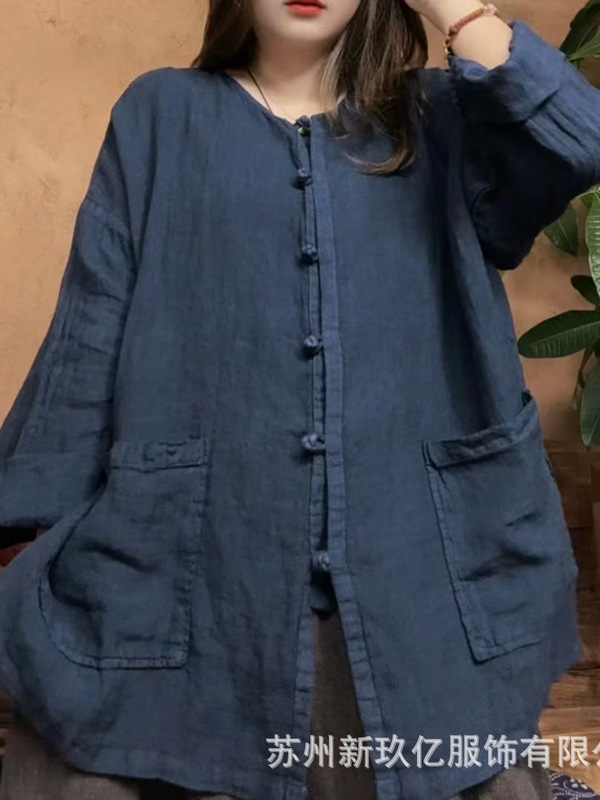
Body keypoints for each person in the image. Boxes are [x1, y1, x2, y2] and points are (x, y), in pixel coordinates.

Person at [0, 0, 596, 796]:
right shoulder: (161, 112)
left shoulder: (443, 116)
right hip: (196, 563)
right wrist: (26, 528)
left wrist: (454, 8)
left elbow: (580, 140)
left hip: (424, 570)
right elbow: (89, 334)